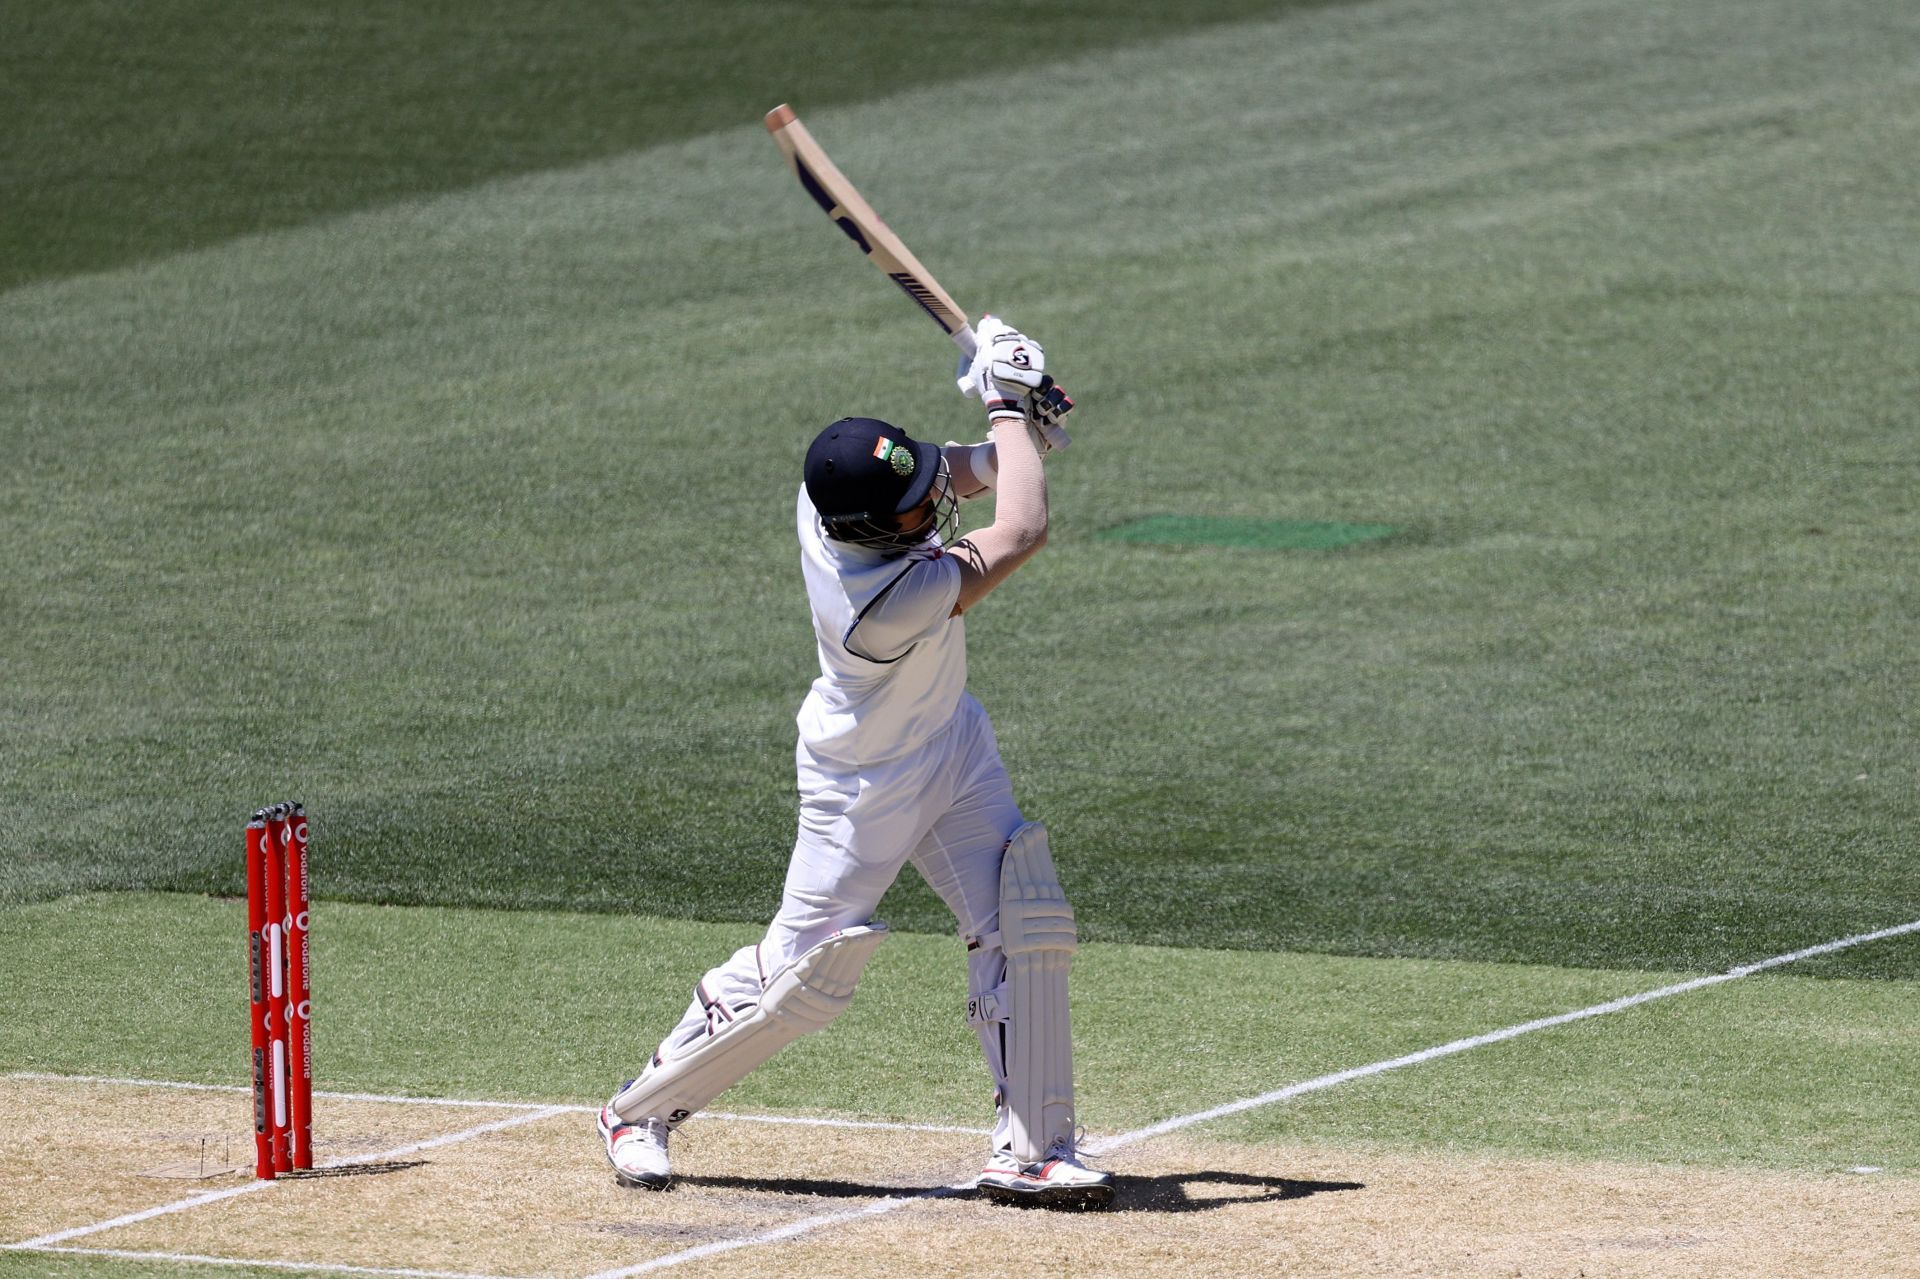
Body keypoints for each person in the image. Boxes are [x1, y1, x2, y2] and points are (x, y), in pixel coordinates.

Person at [596, 318, 1112, 1208]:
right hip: (862, 787)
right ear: (875, 531)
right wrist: (1003, 404)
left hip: (951, 743)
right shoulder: (881, 602)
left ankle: (1033, 1149)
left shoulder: (827, 492)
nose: (930, 506)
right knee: (801, 980)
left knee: (1023, 919)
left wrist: (1016, 434)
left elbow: (949, 473)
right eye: (914, 510)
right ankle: (640, 1108)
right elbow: (1022, 530)